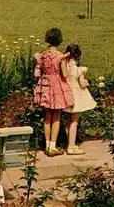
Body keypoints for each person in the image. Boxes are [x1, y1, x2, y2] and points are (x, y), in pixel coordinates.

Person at [33, 27, 74, 157]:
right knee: (56, 116)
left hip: (45, 87)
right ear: (59, 40)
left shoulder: (43, 56)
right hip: (57, 89)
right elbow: (65, 74)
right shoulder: (60, 57)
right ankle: (52, 146)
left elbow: (36, 74)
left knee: (47, 116)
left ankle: (46, 145)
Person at [63, 44, 97, 155]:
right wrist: (87, 82)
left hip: (66, 95)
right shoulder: (78, 69)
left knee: (68, 121)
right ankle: (71, 146)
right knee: (74, 122)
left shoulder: (64, 67)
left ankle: (69, 142)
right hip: (76, 97)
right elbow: (82, 84)